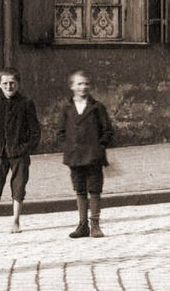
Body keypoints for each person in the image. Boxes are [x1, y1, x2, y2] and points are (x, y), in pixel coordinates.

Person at [0, 67, 41, 235]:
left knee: (19, 187)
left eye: (12, 83)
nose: (9, 86)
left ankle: (15, 222)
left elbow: (35, 130)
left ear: (18, 84)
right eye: (5, 83)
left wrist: (27, 148)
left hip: (19, 153)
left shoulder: (26, 104)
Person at [57, 69, 114, 238]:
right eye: (79, 84)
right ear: (72, 87)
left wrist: (99, 146)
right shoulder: (66, 108)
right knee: (80, 190)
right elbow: (60, 132)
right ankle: (82, 225)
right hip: (75, 158)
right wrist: (68, 148)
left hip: (94, 157)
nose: (83, 87)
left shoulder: (97, 107)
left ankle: (95, 224)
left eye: (86, 84)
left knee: (94, 190)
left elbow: (108, 131)